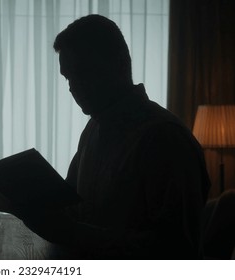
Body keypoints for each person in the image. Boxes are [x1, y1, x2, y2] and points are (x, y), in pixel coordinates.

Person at [20, 15, 210, 259]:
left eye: (82, 73)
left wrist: (73, 233)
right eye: (68, 77)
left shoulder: (165, 139)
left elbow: (176, 249)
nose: (72, 87)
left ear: (119, 64)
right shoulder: (94, 129)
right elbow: (72, 203)